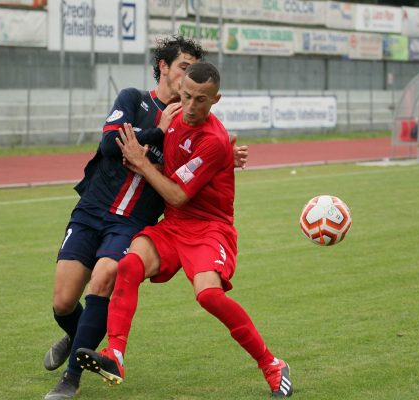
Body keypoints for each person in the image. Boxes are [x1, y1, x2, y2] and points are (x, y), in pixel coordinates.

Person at [43, 36, 248, 400]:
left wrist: (225, 158)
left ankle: (71, 379)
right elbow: (110, 144)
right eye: (184, 67)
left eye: (194, 71)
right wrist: (156, 132)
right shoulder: (133, 99)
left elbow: (200, 161)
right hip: (92, 210)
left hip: (133, 222)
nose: (189, 77)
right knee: (62, 301)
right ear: (164, 68)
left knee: (106, 275)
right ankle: (78, 337)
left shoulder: (192, 121)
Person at [76, 62, 294, 398]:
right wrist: (146, 155)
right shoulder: (173, 118)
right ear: (180, 91)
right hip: (175, 224)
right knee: (129, 265)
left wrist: (142, 160)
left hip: (210, 229)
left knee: (208, 295)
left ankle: (271, 364)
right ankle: (115, 355)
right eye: (187, 96)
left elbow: (176, 193)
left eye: (201, 100)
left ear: (215, 99)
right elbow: (167, 164)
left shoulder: (214, 139)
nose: (191, 106)